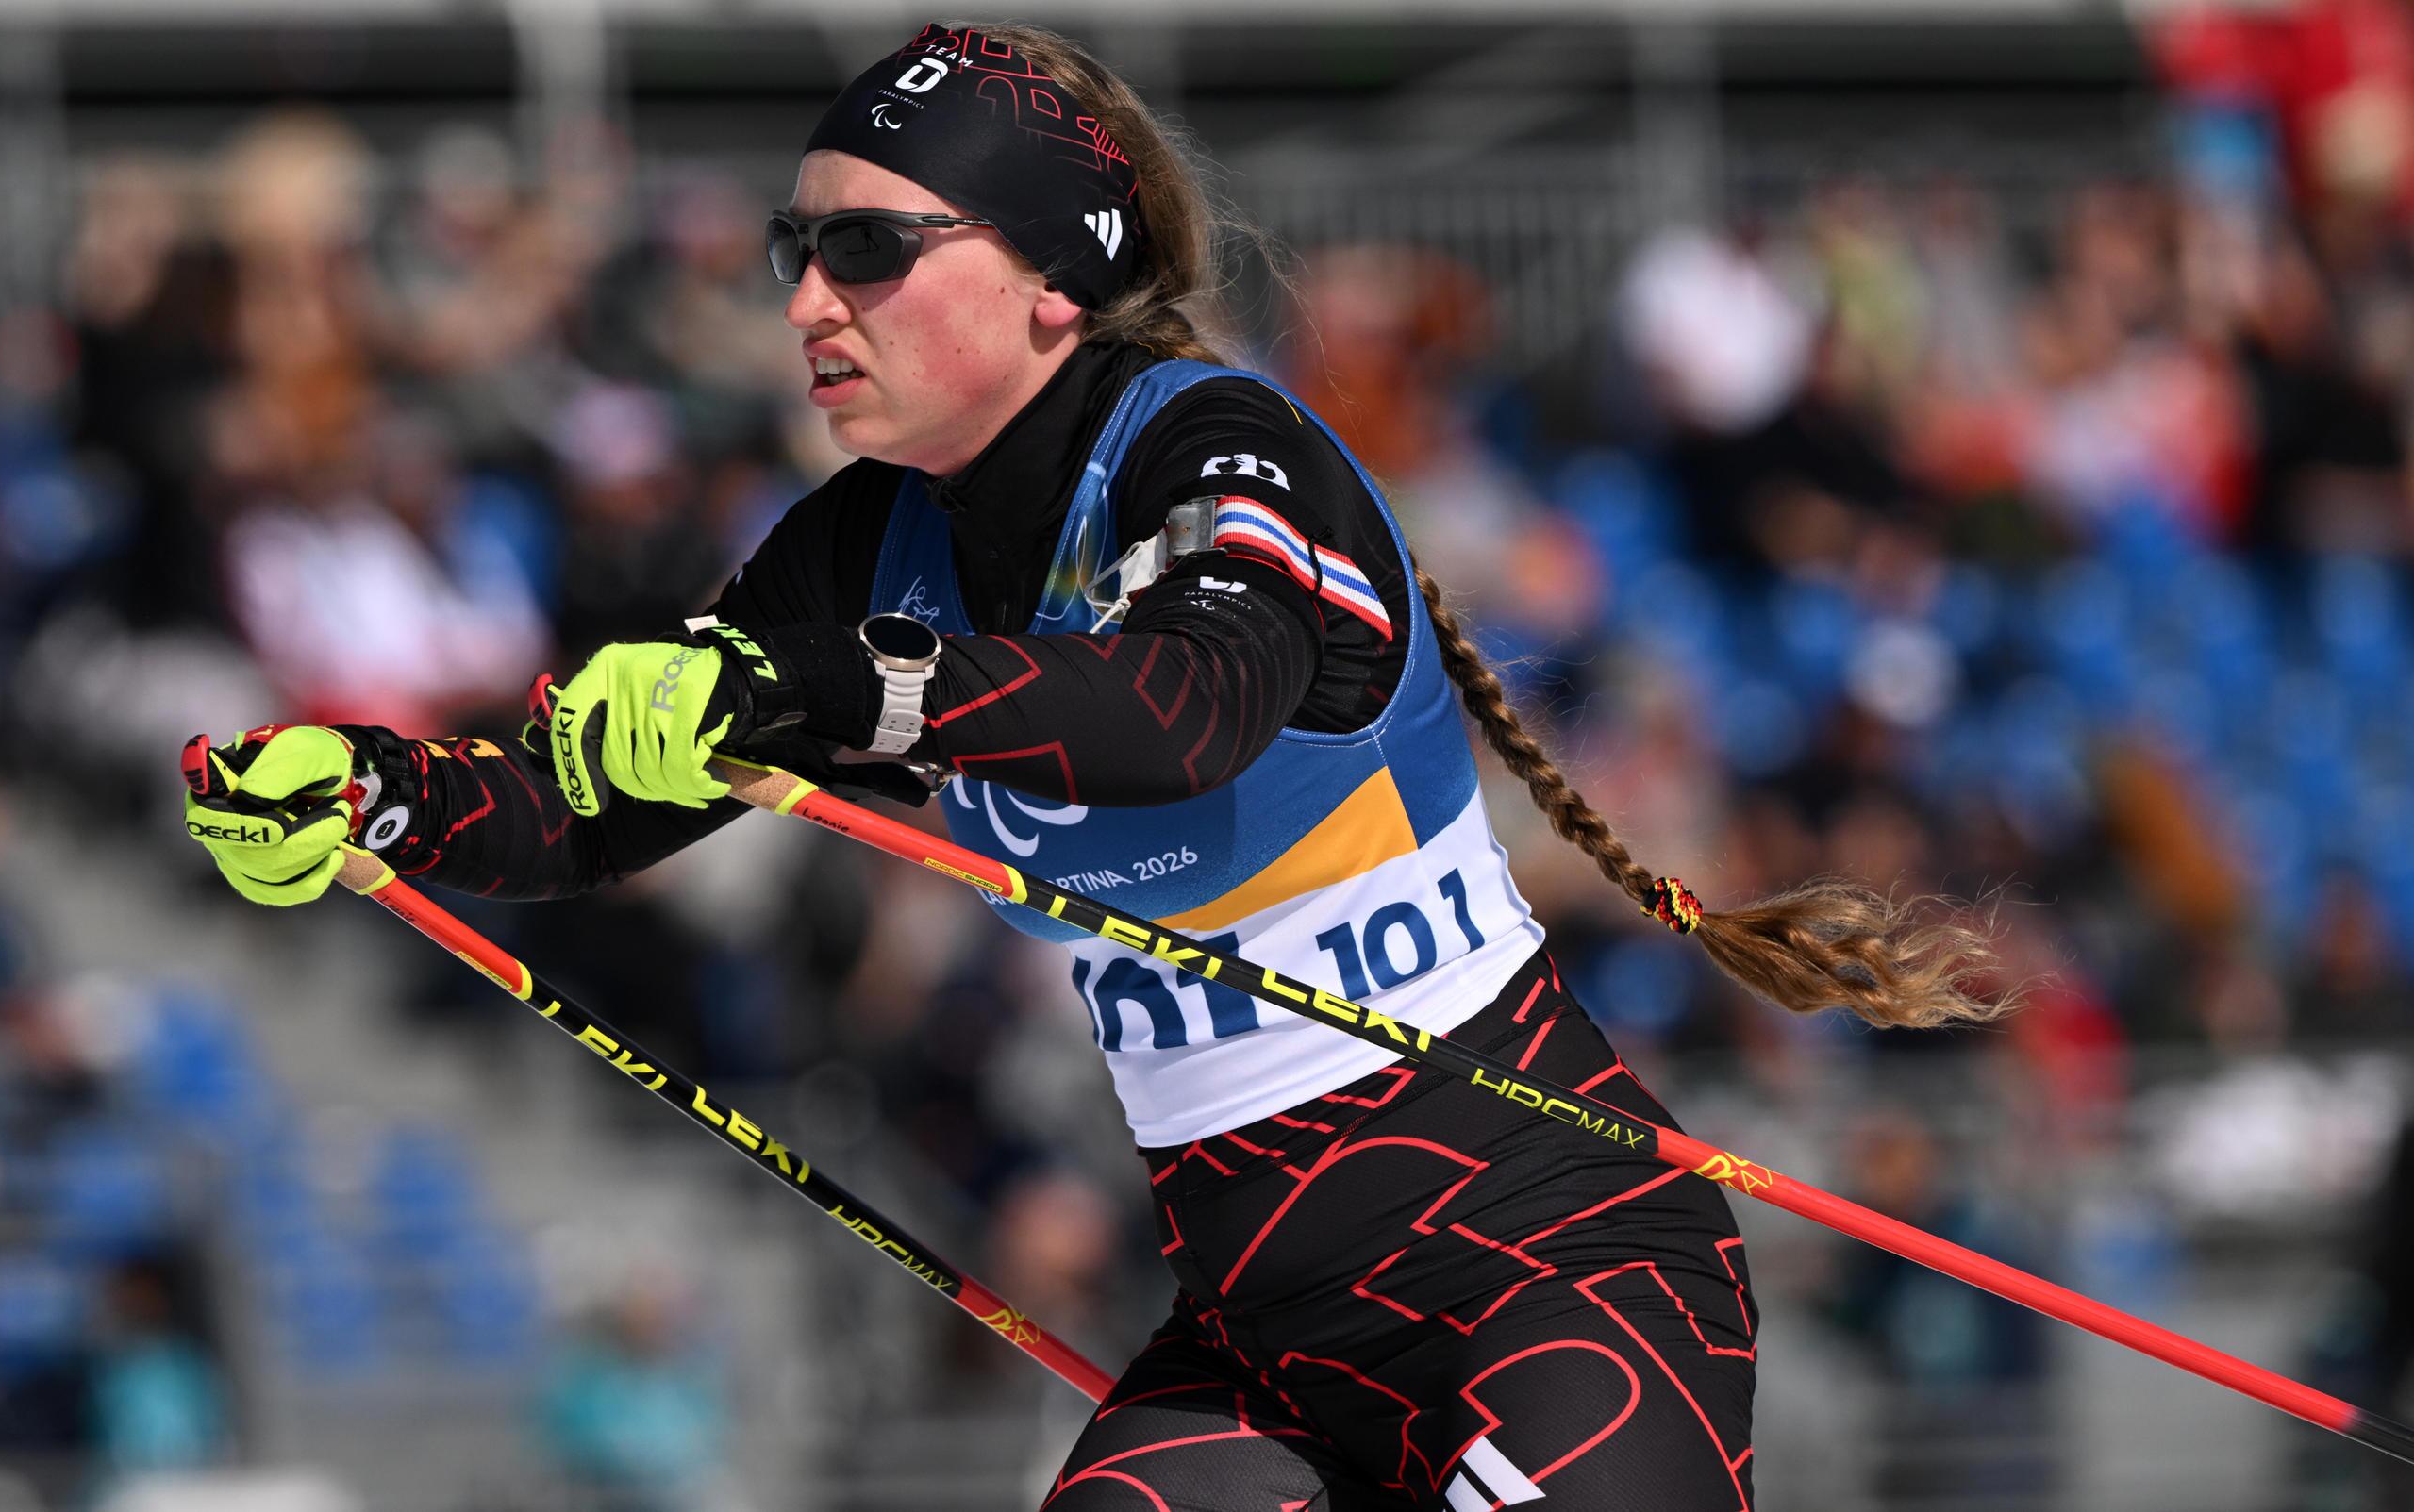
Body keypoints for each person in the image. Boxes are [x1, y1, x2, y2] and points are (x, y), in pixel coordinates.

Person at [183, 23, 2009, 1507]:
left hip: (1554, 1272)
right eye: (797, 250)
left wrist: (813, 686)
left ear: (1061, 275)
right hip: (1262, 1343)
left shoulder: (1220, 450)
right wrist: (372, 799)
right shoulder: (867, 544)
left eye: (872, 249)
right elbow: (582, 810)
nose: (811, 301)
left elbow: (1173, 712)